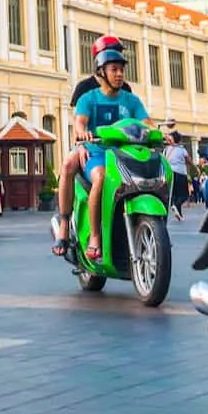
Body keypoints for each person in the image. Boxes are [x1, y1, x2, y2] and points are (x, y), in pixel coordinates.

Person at [59, 48, 152, 261]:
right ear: (101, 73)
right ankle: (93, 234)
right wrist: (82, 133)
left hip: (126, 154)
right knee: (100, 176)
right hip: (98, 153)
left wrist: (156, 133)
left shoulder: (131, 100)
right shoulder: (88, 97)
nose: (119, 74)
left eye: (122, 70)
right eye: (114, 70)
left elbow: (146, 123)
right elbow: (80, 122)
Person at [164, 131, 192, 220]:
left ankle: (179, 214)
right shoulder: (182, 150)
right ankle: (175, 205)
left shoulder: (166, 149)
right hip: (180, 173)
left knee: (175, 195)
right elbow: (189, 161)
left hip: (170, 174)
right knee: (185, 195)